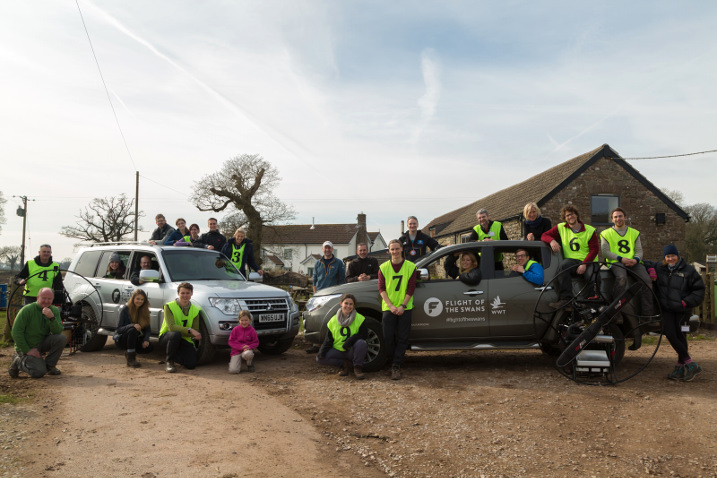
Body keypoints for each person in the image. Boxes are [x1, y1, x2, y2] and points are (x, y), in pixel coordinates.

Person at [649, 245, 705, 381]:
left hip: (682, 310)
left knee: (681, 336)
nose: (670, 259)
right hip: (667, 309)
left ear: (678, 256)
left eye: (673, 256)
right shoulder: (660, 268)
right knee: (670, 333)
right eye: (668, 256)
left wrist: (686, 302)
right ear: (665, 258)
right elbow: (646, 262)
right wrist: (651, 269)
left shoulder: (689, 270)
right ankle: (688, 364)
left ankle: (682, 366)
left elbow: (699, 290)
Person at [541, 205, 600, 308]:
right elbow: (544, 235)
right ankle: (566, 300)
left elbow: (594, 250)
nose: (570, 217)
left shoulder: (589, 230)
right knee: (563, 267)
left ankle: (591, 303)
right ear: (565, 218)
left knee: (591, 275)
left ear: (576, 215)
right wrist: (552, 241)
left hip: (588, 261)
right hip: (572, 260)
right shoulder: (561, 227)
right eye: (567, 215)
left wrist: (584, 264)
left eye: (572, 214)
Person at [600, 207, 654, 317]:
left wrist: (636, 260)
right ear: (612, 219)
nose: (618, 219)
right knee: (621, 279)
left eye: (620, 216)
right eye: (615, 217)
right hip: (616, 261)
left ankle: (647, 315)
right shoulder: (605, 233)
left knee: (647, 281)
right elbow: (605, 252)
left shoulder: (634, 233)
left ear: (625, 217)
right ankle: (615, 312)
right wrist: (621, 259)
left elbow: (639, 251)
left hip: (633, 262)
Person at [379, 239, 417, 380]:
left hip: (405, 308)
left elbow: (411, 287)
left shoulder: (410, 266)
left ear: (402, 249)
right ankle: (391, 360)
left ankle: (396, 365)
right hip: (389, 307)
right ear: (388, 251)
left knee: (402, 338)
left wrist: (402, 306)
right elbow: (381, 288)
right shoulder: (383, 267)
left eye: (397, 249)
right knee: (388, 337)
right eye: (392, 249)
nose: (395, 251)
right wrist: (391, 306)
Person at [9, 288, 67, 378]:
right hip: (27, 345)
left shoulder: (54, 310)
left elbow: (57, 331)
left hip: (41, 344)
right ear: (37, 298)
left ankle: (49, 367)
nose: (46, 301)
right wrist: (27, 350)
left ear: (52, 299)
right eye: (43, 298)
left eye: (49, 299)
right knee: (38, 373)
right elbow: (16, 332)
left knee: (61, 338)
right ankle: (18, 361)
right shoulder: (27, 310)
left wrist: (51, 318)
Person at [316, 293, 368, 380]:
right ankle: (344, 365)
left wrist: (350, 341)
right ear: (341, 304)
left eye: (351, 304)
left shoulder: (360, 318)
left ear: (354, 306)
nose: (348, 306)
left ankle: (357, 368)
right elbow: (328, 340)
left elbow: (364, 335)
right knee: (320, 359)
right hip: (338, 351)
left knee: (361, 343)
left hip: (351, 350)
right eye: (346, 303)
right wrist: (322, 352)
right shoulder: (332, 320)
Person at [158, 282, 203, 373]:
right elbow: (171, 327)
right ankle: (169, 362)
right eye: (182, 293)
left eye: (187, 293)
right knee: (175, 334)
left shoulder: (195, 310)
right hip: (167, 337)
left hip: (184, 339)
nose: (185, 295)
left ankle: (176, 354)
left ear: (192, 293)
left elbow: (195, 333)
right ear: (178, 293)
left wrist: (192, 332)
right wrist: (190, 330)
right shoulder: (169, 306)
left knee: (191, 365)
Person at [113, 289, 153, 368]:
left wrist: (146, 339)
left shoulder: (145, 311)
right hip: (122, 339)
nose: (140, 301)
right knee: (133, 330)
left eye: (142, 299)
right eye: (138, 299)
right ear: (133, 298)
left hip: (136, 338)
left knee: (150, 347)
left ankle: (129, 352)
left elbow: (148, 329)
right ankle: (131, 359)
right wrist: (132, 325)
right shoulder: (126, 309)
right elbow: (119, 329)